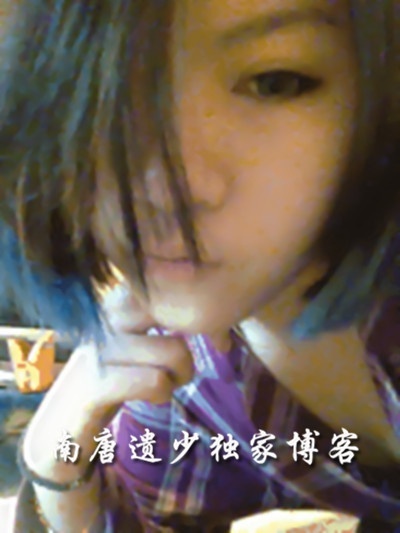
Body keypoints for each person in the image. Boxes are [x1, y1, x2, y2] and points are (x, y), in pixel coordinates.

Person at [0, 0, 399, 531]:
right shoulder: (189, 371)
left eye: (273, 82)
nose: (163, 193)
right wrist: (54, 455)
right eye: (103, 95)